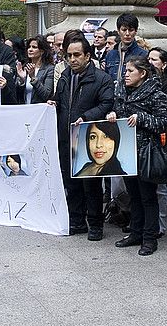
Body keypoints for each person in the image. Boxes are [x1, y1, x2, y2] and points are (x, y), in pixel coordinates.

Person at [42, 31, 115, 238]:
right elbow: (59, 98)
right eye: (69, 55)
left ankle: (95, 225)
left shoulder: (101, 79)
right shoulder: (65, 76)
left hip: (88, 137)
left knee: (90, 184)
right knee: (71, 182)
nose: (72, 59)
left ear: (87, 56)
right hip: (66, 136)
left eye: (77, 55)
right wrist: (53, 103)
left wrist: (86, 116)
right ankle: (76, 221)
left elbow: (106, 103)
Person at [106, 55, 167, 255]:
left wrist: (142, 118)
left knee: (147, 196)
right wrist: (113, 115)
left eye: (130, 71)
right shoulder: (122, 91)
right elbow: (117, 111)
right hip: (126, 151)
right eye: (125, 71)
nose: (126, 75)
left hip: (146, 152)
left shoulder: (156, 94)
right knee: (133, 195)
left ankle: (150, 238)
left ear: (142, 74)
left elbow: (163, 123)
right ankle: (135, 232)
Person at [103, 13, 148, 84]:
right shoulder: (111, 54)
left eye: (131, 30)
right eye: (124, 30)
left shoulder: (143, 54)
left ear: (135, 31)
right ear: (118, 31)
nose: (127, 33)